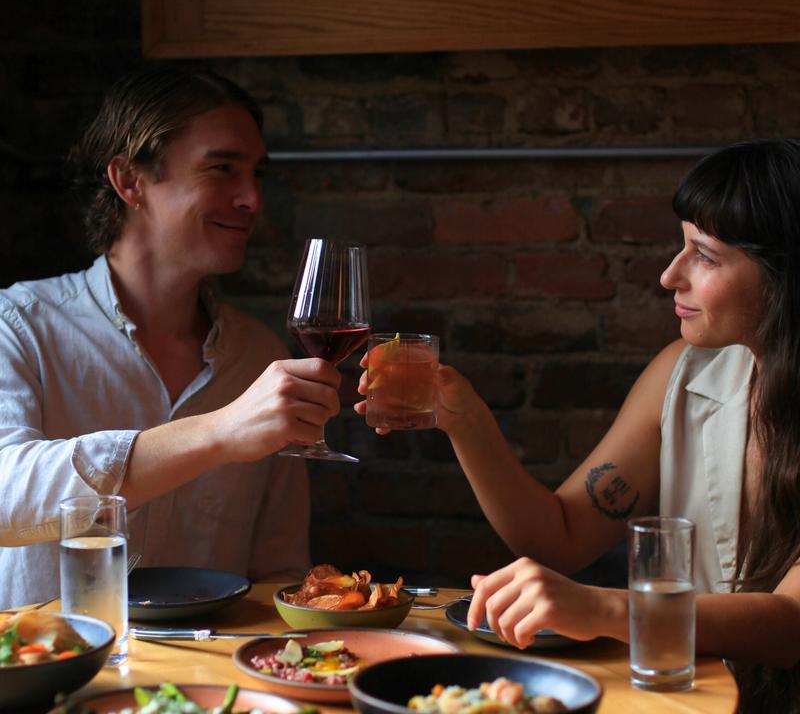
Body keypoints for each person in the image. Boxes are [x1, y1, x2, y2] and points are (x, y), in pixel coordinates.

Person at [357, 138, 800, 712]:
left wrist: (601, 608)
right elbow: (559, 538)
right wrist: (464, 422)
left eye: (705, 256)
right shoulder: (683, 374)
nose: (670, 275)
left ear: (784, 276)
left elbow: (790, 622)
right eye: (681, 245)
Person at [0, 68, 341, 610]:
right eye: (222, 168)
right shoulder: (18, 324)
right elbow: (6, 498)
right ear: (130, 181)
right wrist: (218, 431)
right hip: (51, 660)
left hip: (217, 665)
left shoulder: (259, 356)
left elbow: (280, 573)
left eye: (255, 173)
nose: (252, 198)